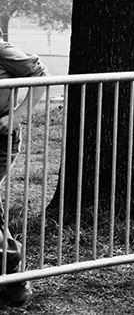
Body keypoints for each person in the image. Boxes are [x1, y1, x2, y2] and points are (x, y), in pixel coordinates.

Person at [0, 38, 49, 307]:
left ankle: (13, 269)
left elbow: (41, 75)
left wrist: (17, 116)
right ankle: (13, 286)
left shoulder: (2, 51)